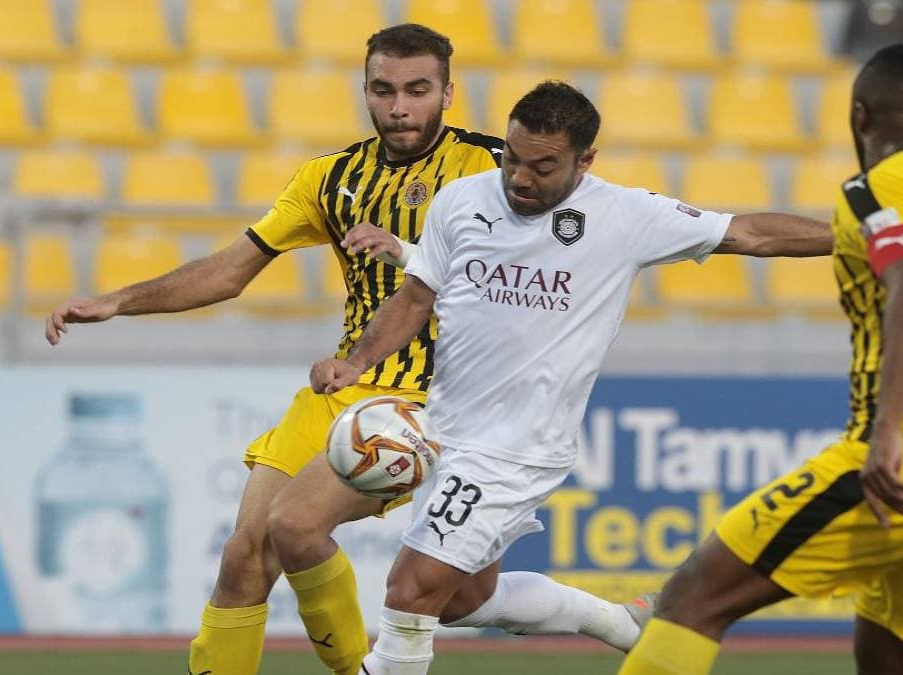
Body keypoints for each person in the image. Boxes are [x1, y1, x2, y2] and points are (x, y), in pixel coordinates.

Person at [46, 24, 643, 675]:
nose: (399, 106)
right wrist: (118, 301)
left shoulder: (499, 168)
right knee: (248, 552)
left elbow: (575, 254)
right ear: (365, 91)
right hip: (347, 387)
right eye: (384, 89)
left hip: (444, 404)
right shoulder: (330, 178)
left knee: (324, 537)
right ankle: (617, 619)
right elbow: (230, 270)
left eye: (417, 89)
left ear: (447, 94)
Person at [305, 80, 833, 675]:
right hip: (443, 434)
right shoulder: (461, 201)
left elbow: (750, 233)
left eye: (543, 166)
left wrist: (859, 240)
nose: (520, 179)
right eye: (512, 158)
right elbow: (416, 297)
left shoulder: (625, 215)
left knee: (408, 594)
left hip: (516, 450)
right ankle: (627, 625)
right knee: (460, 603)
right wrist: (356, 362)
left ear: (586, 161)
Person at [620, 43, 903, 675]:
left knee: (694, 597)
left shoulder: (875, 186)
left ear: (859, 118)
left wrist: (889, 429)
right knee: (893, 659)